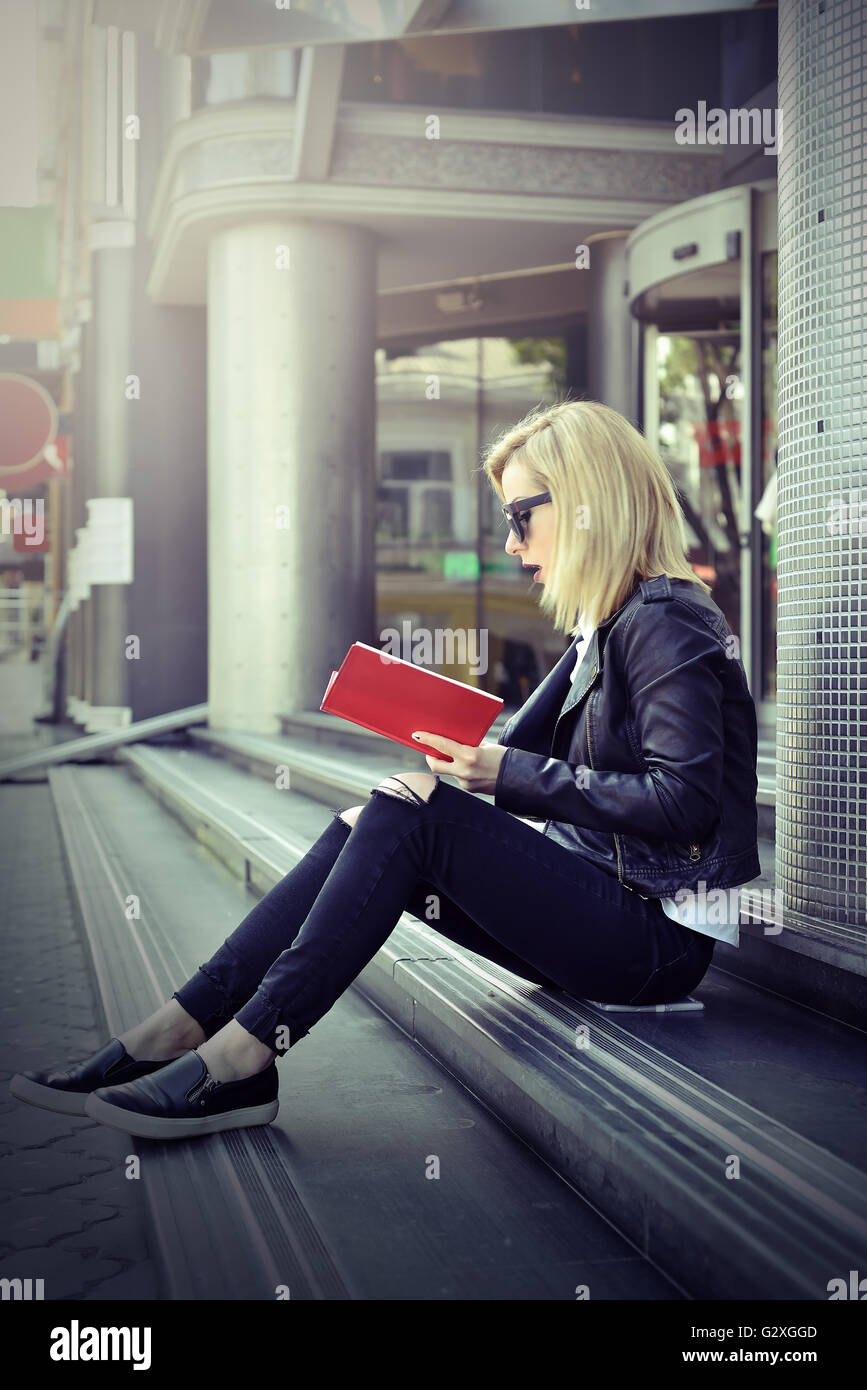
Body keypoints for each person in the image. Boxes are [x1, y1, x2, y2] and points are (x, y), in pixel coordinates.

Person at [10, 399, 760, 1141]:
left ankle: (238, 1058)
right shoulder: (605, 625)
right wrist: (455, 746)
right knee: (377, 814)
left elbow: (684, 803)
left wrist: (497, 775)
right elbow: (518, 755)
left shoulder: (664, 621)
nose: (509, 542)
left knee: (409, 810)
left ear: (588, 503)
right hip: (600, 909)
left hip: (650, 948)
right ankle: (180, 1028)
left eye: (521, 516)